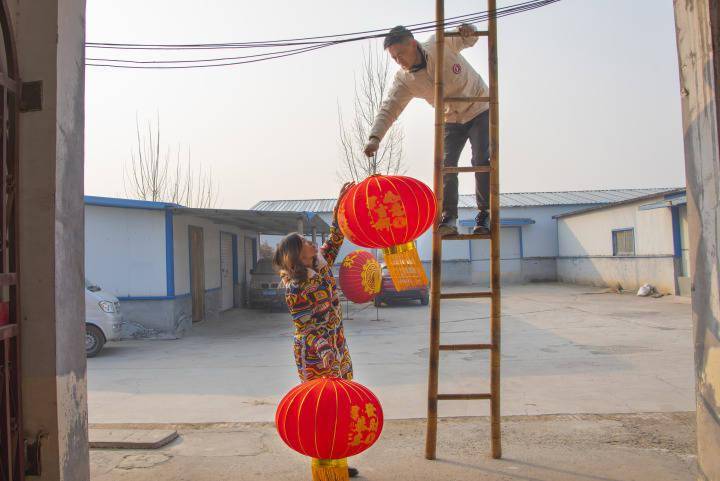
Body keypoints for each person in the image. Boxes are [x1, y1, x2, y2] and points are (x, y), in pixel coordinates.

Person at [364, 24, 490, 236]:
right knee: (446, 165)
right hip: (450, 117)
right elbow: (390, 107)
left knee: (481, 160)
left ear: (413, 44)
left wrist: (469, 30)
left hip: (478, 106)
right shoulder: (404, 80)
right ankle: (449, 216)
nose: (399, 61)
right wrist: (375, 137)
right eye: (394, 58)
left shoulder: (439, 43)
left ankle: (485, 213)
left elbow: (467, 38)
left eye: (401, 54)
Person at [273, 182, 359, 478]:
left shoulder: (321, 264)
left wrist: (342, 202)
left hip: (336, 345)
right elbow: (306, 327)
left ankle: (339, 461)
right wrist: (326, 354)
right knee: (322, 407)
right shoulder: (295, 287)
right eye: (304, 241)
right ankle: (324, 464)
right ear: (297, 254)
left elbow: (336, 236)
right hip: (315, 353)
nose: (312, 243)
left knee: (342, 403)